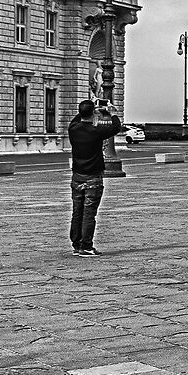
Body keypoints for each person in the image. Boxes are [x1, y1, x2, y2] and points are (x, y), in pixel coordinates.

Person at [66, 97, 123, 257]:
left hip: (77, 176)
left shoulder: (73, 129)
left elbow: (76, 119)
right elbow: (116, 128)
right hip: (93, 177)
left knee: (77, 211)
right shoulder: (96, 131)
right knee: (89, 212)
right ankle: (86, 246)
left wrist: (88, 108)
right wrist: (112, 113)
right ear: (93, 114)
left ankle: (76, 245)